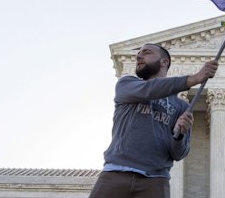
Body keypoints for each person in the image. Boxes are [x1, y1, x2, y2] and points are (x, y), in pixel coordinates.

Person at [89, 43, 218, 198]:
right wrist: (194, 79)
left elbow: (179, 153)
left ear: (164, 62)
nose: (139, 56)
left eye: (147, 52)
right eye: (138, 53)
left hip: (155, 181)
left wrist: (178, 135)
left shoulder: (182, 107)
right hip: (116, 174)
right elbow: (150, 89)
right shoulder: (127, 84)